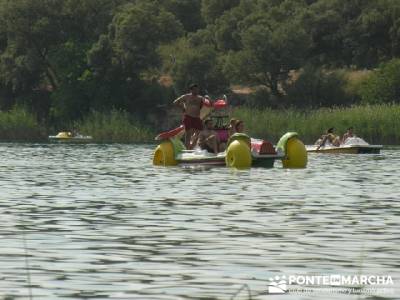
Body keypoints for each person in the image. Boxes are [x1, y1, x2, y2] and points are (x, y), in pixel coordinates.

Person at [173, 84, 204, 149]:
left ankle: (192, 146)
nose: (196, 90)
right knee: (188, 134)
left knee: (199, 132)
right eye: (195, 89)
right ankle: (187, 149)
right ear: (191, 90)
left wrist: (208, 98)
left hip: (196, 117)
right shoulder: (186, 96)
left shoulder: (200, 98)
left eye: (197, 89)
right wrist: (182, 107)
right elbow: (175, 102)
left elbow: (208, 103)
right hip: (188, 116)